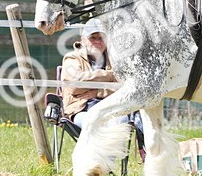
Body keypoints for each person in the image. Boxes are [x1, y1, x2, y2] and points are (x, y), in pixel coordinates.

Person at [60, 19, 143, 148]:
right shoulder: (72, 58)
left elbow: (126, 87)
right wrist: (110, 75)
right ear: (83, 40)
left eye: (101, 37)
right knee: (93, 122)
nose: (98, 41)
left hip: (112, 108)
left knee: (120, 121)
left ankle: (104, 166)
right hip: (82, 109)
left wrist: (96, 92)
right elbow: (75, 85)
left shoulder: (116, 59)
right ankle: (98, 164)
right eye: (93, 37)